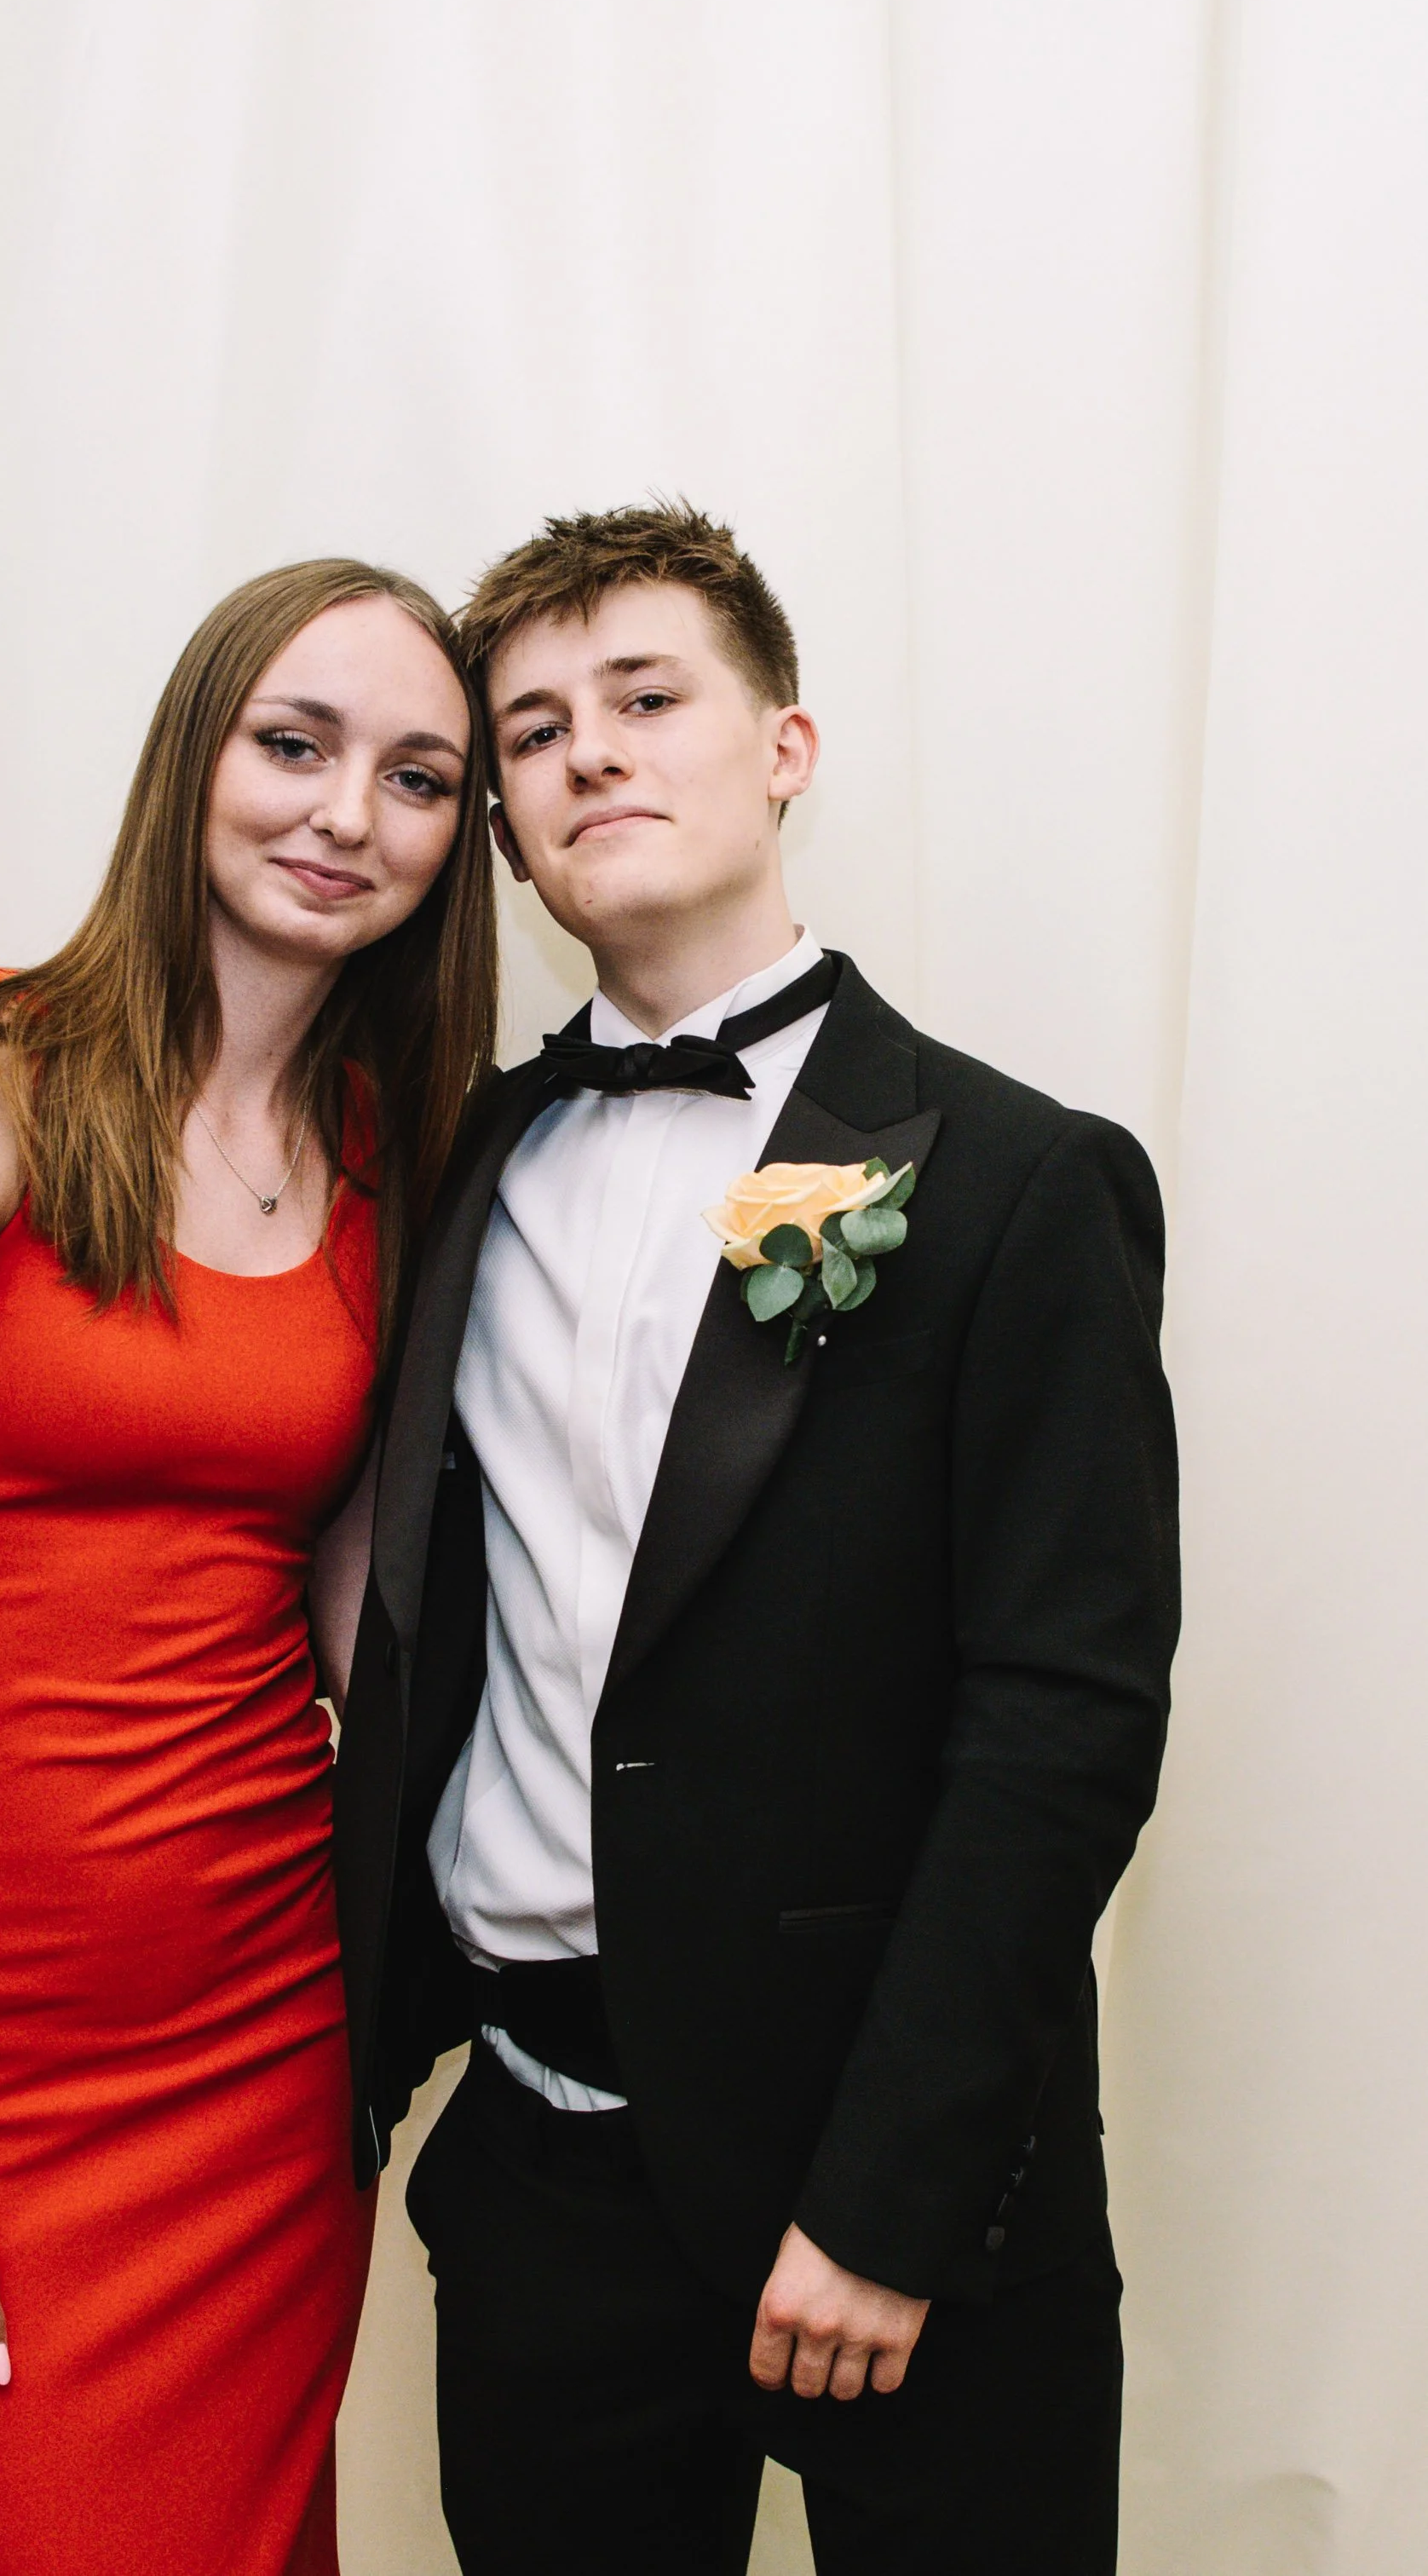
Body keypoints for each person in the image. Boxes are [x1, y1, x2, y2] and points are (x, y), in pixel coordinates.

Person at [332, 502, 1179, 2575]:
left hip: (897, 2184)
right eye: (533, 731)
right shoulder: (451, 1167)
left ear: (782, 748)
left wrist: (887, 2207)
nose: (591, 753)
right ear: (503, 829)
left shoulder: (1010, 1178)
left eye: (645, 697)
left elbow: (1061, 1718)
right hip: (542, 2177)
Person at [0, 558, 496, 2576]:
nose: (345, 815)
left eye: (416, 779)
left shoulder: (384, 1146)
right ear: (193, 755)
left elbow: (368, 1629)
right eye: (295, 745)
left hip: (260, 2039)